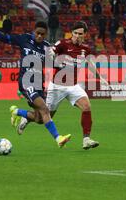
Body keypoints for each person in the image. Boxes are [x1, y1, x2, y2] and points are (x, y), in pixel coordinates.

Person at [0, 18, 71, 148]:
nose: (39, 36)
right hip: (26, 82)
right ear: (34, 31)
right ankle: (58, 138)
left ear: (45, 34)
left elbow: (53, 63)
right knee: (45, 109)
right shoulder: (24, 39)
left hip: (39, 84)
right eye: (37, 33)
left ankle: (18, 112)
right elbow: (4, 38)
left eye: (42, 34)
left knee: (40, 119)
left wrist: (64, 67)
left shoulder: (46, 47)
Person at [45, 21, 108, 149]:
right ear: (71, 33)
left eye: (80, 34)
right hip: (57, 86)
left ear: (85, 35)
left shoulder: (85, 49)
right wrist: (51, 54)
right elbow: (51, 51)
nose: (77, 36)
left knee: (86, 106)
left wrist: (100, 78)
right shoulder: (63, 43)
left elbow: (90, 65)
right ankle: (25, 116)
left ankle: (86, 139)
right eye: (75, 33)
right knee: (44, 117)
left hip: (73, 86)